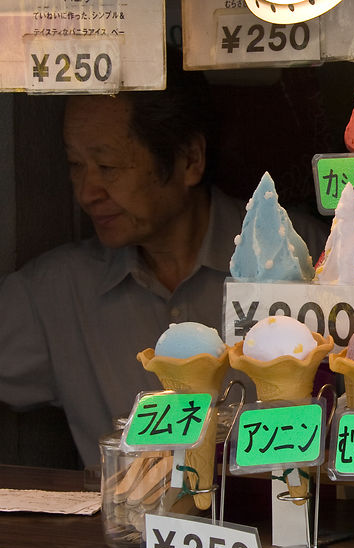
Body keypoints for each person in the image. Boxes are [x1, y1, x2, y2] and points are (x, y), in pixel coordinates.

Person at [0, 58, 326, 467]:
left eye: (107, 166)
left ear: (189, 159)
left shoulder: (300, 254)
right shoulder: (53, 293)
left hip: (282, 519)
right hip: (127, 526)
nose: (87, 192)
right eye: (75, 165)